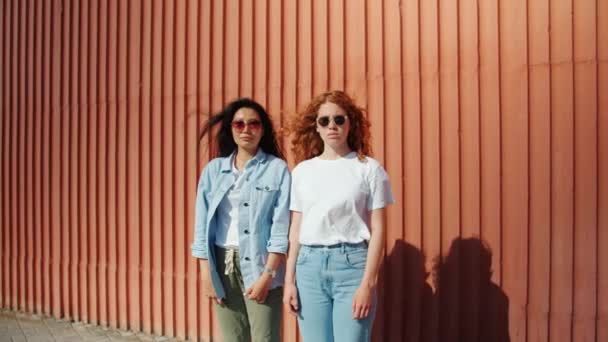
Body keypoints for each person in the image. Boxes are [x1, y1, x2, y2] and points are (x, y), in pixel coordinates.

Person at [283, 90, 395, 342]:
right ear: (316, 128)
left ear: (350, 123)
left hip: (352, 267)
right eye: (324, 121)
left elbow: (378, 231)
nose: (332, 125)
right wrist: (289, 282)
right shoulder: (302, 172)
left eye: (339, 119)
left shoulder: (369, 169)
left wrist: (367, 284)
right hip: (309, 269)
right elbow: (296, 229)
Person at [191, 98, 291, 342]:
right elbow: (201, 225)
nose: (246, 129)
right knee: (233, 339)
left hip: (261, 265)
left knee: (265, 338)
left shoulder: (277, 169)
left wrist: (268, 275)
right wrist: (206, 274)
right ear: (231, 129)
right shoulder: (214, 171)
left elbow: (281, 228)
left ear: (263, 129)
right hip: (222, 266)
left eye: (254, 124)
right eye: (239, 124)